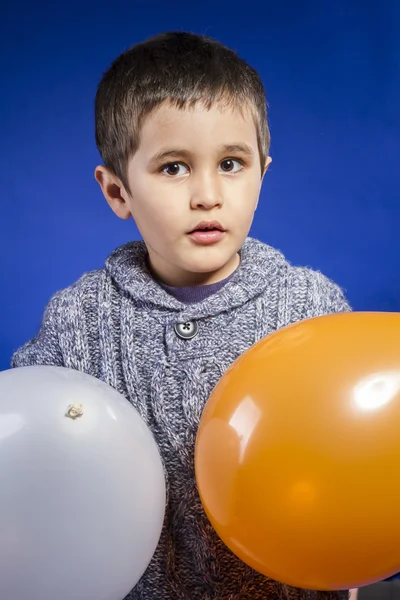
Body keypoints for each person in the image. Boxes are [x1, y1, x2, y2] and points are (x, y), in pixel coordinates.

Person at [12, 32, 352, 600]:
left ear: (262, 175)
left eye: (231, 163)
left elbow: (358, 461)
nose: (207, 194)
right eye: (173, 168)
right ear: (118, 191)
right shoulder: (79, 322)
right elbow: (31, 454)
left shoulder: (310, 310)